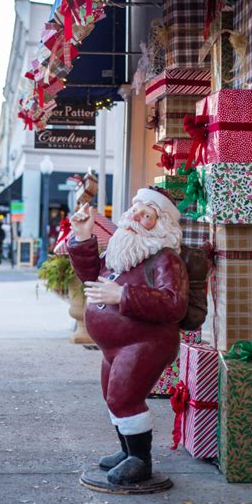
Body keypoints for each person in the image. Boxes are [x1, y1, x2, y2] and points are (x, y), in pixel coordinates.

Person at [67, 187, 188, 487]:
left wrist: (122, 295)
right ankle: (127, 451)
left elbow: (174, 304)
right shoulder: (123, 250)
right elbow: (91, 275)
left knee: (124, 398)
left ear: (161, 225)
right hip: (114, 346)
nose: (136, 217)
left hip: (146, 342)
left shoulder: (165, 260)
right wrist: (83, 237)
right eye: (135, 210)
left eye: (146, 215)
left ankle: (141, 461)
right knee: (112, 397)